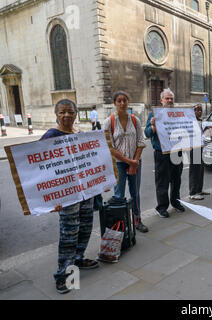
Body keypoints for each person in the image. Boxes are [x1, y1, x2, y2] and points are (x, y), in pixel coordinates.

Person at [40, 99, 99, 294]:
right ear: (56, 114)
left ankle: (79, 258)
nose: (66, 115)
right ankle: (62, 275)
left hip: (85, 192)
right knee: (69, 233)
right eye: (62, 112)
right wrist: (51, 198)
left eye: (70, 112)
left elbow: (90, 162)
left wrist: (100, 182)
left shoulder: (81, 135)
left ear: (75, 114)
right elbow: (41, 170)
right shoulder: (50, 136)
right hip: (66, 196)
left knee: (85, 227)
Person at [103, 91, 148, 233]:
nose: (122, 103)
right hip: (119, 164)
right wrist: (129, 161)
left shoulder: (135, 120)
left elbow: (141, 142)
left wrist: (135, 161)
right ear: (114, 104)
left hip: (135, 162)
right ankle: (120, 224)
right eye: (119, 101)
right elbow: (110, 148)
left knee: (135, 193)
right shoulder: (108, 122)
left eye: (125, 100)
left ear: (128, 102)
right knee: (119, 195)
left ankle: (137, 220)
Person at [145, 88, 185, 218]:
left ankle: (176, 202)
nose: (169, 100)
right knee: (162, 181)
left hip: (176, 151)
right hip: (162, 153)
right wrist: (152, 127)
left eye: (171, 98)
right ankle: (161, 207)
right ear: (161, 100)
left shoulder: (179, 113)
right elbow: (146, 133)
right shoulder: (154, 114)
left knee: (176, 179)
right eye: (167, 98)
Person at [189, 104, 211, 200]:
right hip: (194, 148)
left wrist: (205, 129)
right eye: (197, 110)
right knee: (194, 170)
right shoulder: (190, 122)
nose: (199, 112)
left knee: (200, 169)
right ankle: (192, 192)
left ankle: (199, 189)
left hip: (200, 147)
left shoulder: (201, 121)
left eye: (200, 110)